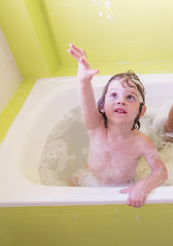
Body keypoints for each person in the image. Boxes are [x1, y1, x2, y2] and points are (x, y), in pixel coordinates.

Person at [68, 43, 167, 208]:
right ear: (101, 106)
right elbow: (86, 104)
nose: (121, 100)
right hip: (88, 177)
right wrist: (83, 81)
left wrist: (143, 186)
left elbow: (161, 172)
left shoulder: (142, 143)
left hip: (122, 187)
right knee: (67, 191)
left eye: (130, 97)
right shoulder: (96, 127)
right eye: (113, 95)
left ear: (141, 112)